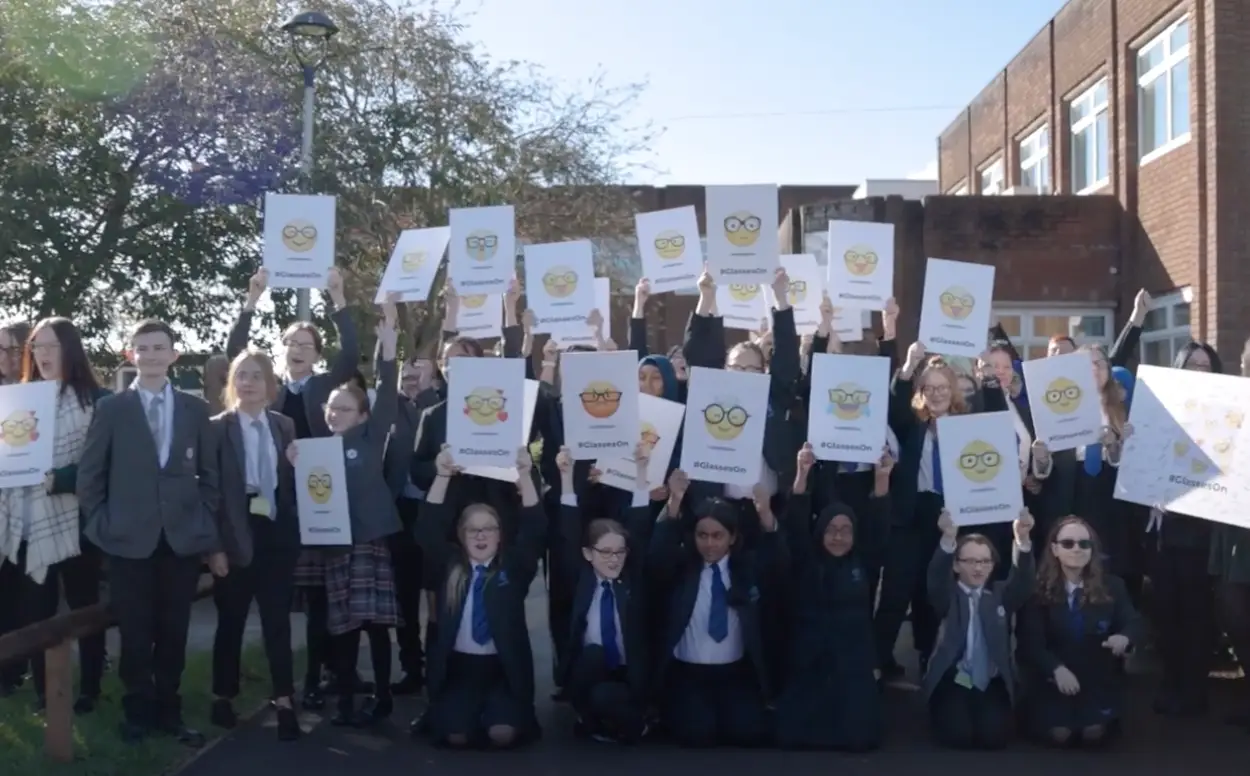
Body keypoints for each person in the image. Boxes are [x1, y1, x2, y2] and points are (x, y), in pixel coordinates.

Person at [77, 318, 223, 747]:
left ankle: (169, 712)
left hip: (179, 541)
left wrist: (201, 521)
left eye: (160, 348)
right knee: (136, 632)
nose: (152, 355)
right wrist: (102, 527)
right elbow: (90, 477)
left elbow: (210, 477)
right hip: (127, 542)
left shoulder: (195, 411)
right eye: (143, 348)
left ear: (174, 355)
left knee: (175, 630)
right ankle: (137, 712)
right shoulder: (112, 409)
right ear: (131, 355)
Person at [226, 267, 359, 709]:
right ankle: (247, 684)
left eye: (307, 345)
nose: (298, 350)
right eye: (292, 344)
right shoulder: (268, 389)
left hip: (320, 500)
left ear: (317, 355)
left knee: (321, 595)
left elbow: (352, 354)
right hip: (277, 506)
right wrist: (252, 300)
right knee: (275, 599)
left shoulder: (324, 385)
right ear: (281, 351)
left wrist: (338, 297)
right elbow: (233, 355)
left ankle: (319, 675)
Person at [288, 306, 403, 727]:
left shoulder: (372, 435)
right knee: (344, 625)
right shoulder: (318, 443)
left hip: (371, 541)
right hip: (336, 543)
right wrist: (294, 459)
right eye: (331, 408)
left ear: (362, 414)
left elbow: (387, 388)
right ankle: (348, 703)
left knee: (376, 624)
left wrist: (388, 348)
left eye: (344, 409)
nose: (334, 414)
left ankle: (385, 697)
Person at [875, 345, 1009, 681]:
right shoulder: (910, 423)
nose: (936, 394)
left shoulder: (966, 424)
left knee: (932, 592)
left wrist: (990, 378)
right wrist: (907, 367)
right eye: (929, 388)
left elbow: (997, 419)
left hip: (949, 517)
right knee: (896, 589)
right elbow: (894, 401)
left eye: (942, 388)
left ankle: (927, 655)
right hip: (909, 515)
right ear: (920, 393)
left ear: (953, 392)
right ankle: (877, 661)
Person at [0, 317, 110, 713]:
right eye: (36, 347)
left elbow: (102, 467)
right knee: (36, 615)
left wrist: (60, 480)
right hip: (29, 526)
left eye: (51, 346)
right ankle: (45, 695)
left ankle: (91, 690)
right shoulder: (18, 399)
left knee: (85, 612)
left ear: (70, 350)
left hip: (76, 526)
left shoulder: (97, 401)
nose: (43, 355)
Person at [417, 445, 546, 749]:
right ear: (460, 535)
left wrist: (525, 476)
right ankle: (465, 713)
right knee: (456, 737)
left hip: (501, 671)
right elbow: (427, 528)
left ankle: (495, 713)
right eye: (473, 530)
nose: (481, 536)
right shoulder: (448, 565)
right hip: (460, 671)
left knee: (501, 735)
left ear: (500, 535)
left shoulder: (514, 569)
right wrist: (442, 475)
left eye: (489, 529)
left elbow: (535, 530)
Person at [648, 474, 787, 748]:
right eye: (702, 535)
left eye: (717, 536)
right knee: (696, 733)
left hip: (733, 673)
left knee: (748, 732)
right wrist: (674, 501)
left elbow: (779, 567)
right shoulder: (681, 569)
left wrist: (766, 515)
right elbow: (657, 557)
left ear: (732, 537)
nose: (709, 544)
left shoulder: (746, 570)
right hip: (687, 673)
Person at [773, 443, 892, 752]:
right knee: (791, 735)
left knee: (860, 739)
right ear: (820, 532)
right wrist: (802, 473)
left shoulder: (862, 562)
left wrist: (881, 479)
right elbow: (796, 520)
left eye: (845, 530)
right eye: (831, 530)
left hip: (852, 660)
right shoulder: (805, 559)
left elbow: (878, 526)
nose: (838, 536)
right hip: (811, 658)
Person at [208, 349, 301, 741]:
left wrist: (298, 466)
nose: (247, 382)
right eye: (240, 375)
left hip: (276, 531)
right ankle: (222, 696)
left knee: (277, 621)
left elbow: (290, 484)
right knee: (231, 620)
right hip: (234, 529)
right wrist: (214, 548)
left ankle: (284, 701)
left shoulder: (284, 426)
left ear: (270, 385)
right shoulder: (216, 428)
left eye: (256, 376)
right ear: (231, 384)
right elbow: (209, 492)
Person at [555, 445, 654, 744]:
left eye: (620, 552)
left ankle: (619, 721)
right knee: (595, 663)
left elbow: (639, 523)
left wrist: (641, 473)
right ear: (587, 554)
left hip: (628, 675)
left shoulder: (631, 578)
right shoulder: (580, 578)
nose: (614, 559)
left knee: (621, 709)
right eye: (605, 552)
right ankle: (590, 716)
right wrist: (566, 476)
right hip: (589, 673)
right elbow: (568, 529)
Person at [1018, 516, 1142, 748]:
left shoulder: (1113, 585)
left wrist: (1125, 638)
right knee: (1060, 735)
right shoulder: (1037, 590)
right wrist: (1056, 669)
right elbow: (1031, 643)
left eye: (1084, 544)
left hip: (1097, 679)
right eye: (1068, 543)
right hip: (1053, 679)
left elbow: (1133, 621)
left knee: (1093, 735)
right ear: (1054, 549)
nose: (1077, 549)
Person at [924, 507, 1035, 750]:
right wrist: (947, 538)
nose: (978, 568)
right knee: (958, 736)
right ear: (956, 565)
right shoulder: (948, 596)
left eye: (985, 561)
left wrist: (1022, 539)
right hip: (955, 680)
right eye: (970, 561)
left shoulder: (1000, 594)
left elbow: (1024, 583)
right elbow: (935, 580)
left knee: (993, 738)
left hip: (991, 681)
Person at [0, 320, 32, 695]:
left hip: (30, 514)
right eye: (1, 350)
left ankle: (18, 672)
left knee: (27, 601)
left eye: (12, 350)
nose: (6, 358)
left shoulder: (38, 395)